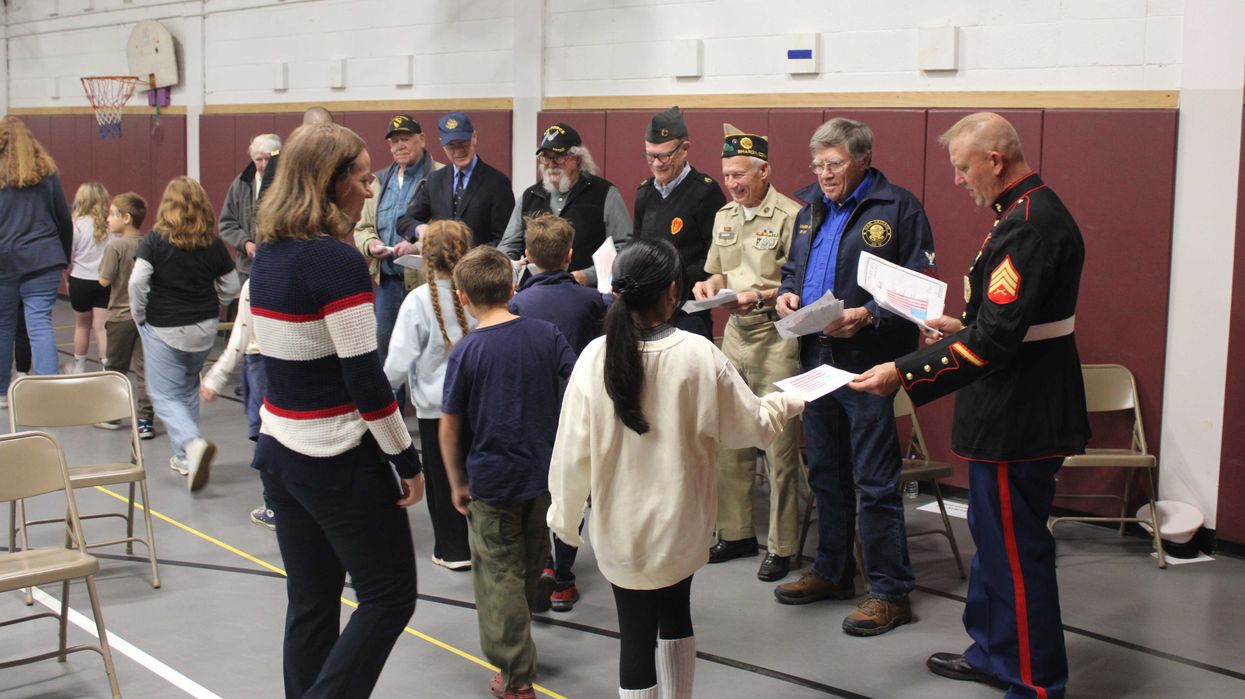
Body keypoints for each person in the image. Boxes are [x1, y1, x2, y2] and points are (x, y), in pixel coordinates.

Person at [851, 112, 1089, 699]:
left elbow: (998, 343)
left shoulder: (1025, 227)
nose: (958, 180)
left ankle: (1034, 683)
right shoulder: (1026, 211)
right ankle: (995, 653)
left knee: (1016, 555)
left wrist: (902, 372)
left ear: (995, 160)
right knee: (995, 544)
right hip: (1018, 404)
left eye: (962, 168)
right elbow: (1007, 323)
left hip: (1018, 415)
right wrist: (966, 326)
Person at [547, 238, 805, 699]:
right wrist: (791, 398)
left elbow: (569, 455)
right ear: (672, 291)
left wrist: (564, 524)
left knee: (635, 639)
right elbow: (753, 426)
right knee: (676, 615)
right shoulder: (698, 354)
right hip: (681, 529)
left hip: (620, 535)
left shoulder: (593, 357)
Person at [249, 122, 424, 699]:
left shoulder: (268, 253)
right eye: (362, 178)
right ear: (329, 182)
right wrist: (406, 458)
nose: (370, 189)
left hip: (279, 454)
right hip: (335, 458)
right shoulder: (335, 261)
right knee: (389, 595)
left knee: (311, 602)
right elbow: (364, 379)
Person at [771, 117, 936, 637]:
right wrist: (787, 294)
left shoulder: (899, 208)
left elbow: (919, 288)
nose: (823, 174)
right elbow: (793, 270)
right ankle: (833, 571)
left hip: (869, 361)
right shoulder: (809, 209)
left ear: (863, 159)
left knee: (874, 481)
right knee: (825, 472)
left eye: (834, 164)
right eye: (818, 165)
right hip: (815, 358)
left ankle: (890, 591)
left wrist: (868, 315)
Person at [440, 245, 576, 699]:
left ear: (462, 297)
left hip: (492, 482)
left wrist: (456, 482)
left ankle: (516, 677)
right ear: (514, 288)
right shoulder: (547, 335)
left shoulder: (467, 351)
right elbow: (577, 388)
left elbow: (450, 424)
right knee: (529, 563)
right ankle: (526, 613)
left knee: (497, 577)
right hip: (541, 477)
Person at [691, 129, 804, 582]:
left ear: (764, 171)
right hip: (735, 335)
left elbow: (799, 284)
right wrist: (709, 287)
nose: (732, 183)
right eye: (727, 175)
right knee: (728, 436)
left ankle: (782, 545)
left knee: (779, 446)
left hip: (776, 336)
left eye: (740, 174)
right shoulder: (725, 215)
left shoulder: (792, 216)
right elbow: (718, 272)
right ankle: (736, 532)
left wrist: (758, 295)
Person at [507, 213, 609, 612]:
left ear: (528, 256)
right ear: (570, 255)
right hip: (579, 409)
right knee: (573, 489)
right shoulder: (592, 300)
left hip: (531, 411)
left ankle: (544, 565)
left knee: (540, 490)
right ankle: (564, 578)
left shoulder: (517, 303)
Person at [131, 176, 240, 491]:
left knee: (163, 394)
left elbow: (137, 281)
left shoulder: (154, 241)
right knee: (188, 389)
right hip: (204, 329)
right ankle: (183, 457)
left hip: (165, 328)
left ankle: (191, 442)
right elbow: (232, 286)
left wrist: (140, 314)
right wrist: (214, 302)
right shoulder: (213, 244)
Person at [384, 219, 477, 571]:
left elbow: (398, 360)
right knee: (476, 475)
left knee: (441, 480)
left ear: (425, 257)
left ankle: (453, 550)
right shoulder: (476, 293)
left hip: (435, 410)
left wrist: (378, 394)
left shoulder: (416, 301)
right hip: (476, 406)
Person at [356, 115, 444, 373]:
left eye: (406, 139)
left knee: (428, 352)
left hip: (426, 282)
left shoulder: (441, 176)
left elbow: (448, 229)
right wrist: (370, 244)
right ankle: (390, 398)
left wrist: (418, 246)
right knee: (385, 352)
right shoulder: (378, 181)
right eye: (395, 141)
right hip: (388, 283)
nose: (400, 146)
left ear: (422, 140)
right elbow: (362, 227)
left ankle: (423, 399)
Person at [633, 106, 726, 341]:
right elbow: (637, 246)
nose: (656, 164)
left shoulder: (705, 192)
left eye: (664, 156)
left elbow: (715, 260)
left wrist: (668, 280)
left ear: (685, 149)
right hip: (648, 311)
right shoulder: (644, 192)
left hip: (687, 313)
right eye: (650, 156)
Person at [498, 122, 631, 287]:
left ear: (578, 159)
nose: (551, 164)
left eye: (559, 157)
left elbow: (624, 248)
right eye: (546, 157)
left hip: (588, 295)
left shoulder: (604, 193)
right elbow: (508, 246)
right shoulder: (530, 197)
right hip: (536, 293)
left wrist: (588, 275)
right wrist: (510, 271)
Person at [0, 115, 72, 407]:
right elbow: (63, 219)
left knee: (3, 326)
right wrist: (63, 257)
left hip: (5, 259)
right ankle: (48, 390)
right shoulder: (47, 174)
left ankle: (1, 391)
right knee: (39, 323)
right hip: (45, 257)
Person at [200, 278, 274, 530]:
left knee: (266, 435)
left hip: (262, 365)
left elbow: (241, 332)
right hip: (279, 365)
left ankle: (273, 506)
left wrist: (217, 375)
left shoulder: (256, 283)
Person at [397, 112, 514, 248]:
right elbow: (404, 221)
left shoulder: (497, 183)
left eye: (463, 143)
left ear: (474, 137)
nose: (458, 151)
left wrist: (473, 257)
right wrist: (420, 229)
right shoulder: (435, 180)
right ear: (442, 144)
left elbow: (505, 239)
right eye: (451, 146)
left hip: (480, 261)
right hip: (441, 261)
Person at [98, 192, 155, 438]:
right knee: (144, 369)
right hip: (146, 317)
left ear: (126, 218)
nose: (108, 219)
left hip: (120, 317)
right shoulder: (150, 243)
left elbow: (104, 280)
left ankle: (113, 415)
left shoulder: (116, 246)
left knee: (115, 368)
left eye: (112, 214)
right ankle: (145, 421)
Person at [219, 133, 281, 285]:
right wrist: (245, 242)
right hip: (248, 268)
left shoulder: (286, 184)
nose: (264, 165)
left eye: (268, 159)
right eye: (259, 159)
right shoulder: (241, 183)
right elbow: (227, 223)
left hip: (280, 264)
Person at [67, 181, 113, 374]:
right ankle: (107, 367)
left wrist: (68, 278)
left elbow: (69, 256)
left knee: (82, 325)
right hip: (105, 280)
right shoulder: (110, 226)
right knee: (101, 327)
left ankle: (79, 366)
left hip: (80, 280)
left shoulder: (75, 226)